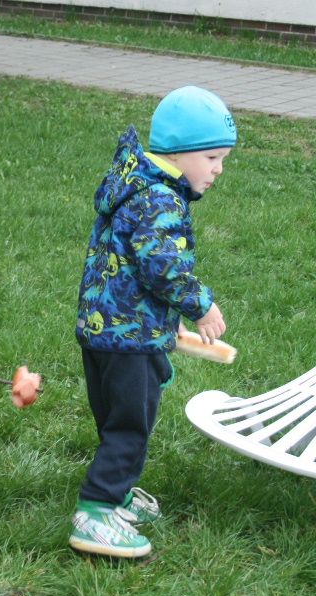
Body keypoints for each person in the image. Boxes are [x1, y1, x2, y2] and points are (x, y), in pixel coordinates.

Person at [69, 86, 236, 558]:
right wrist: (200, 305)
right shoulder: (161, 199)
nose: (218, 169)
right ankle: (97, 511)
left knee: (115, 420)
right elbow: (162, 267)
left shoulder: (134, 184)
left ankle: (117, 493)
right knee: (130, 428)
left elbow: (130, 269)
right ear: (178, 153)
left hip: (104, 330)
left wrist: (166, 324)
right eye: (211, 157)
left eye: (222, 159)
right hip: (130, 343)